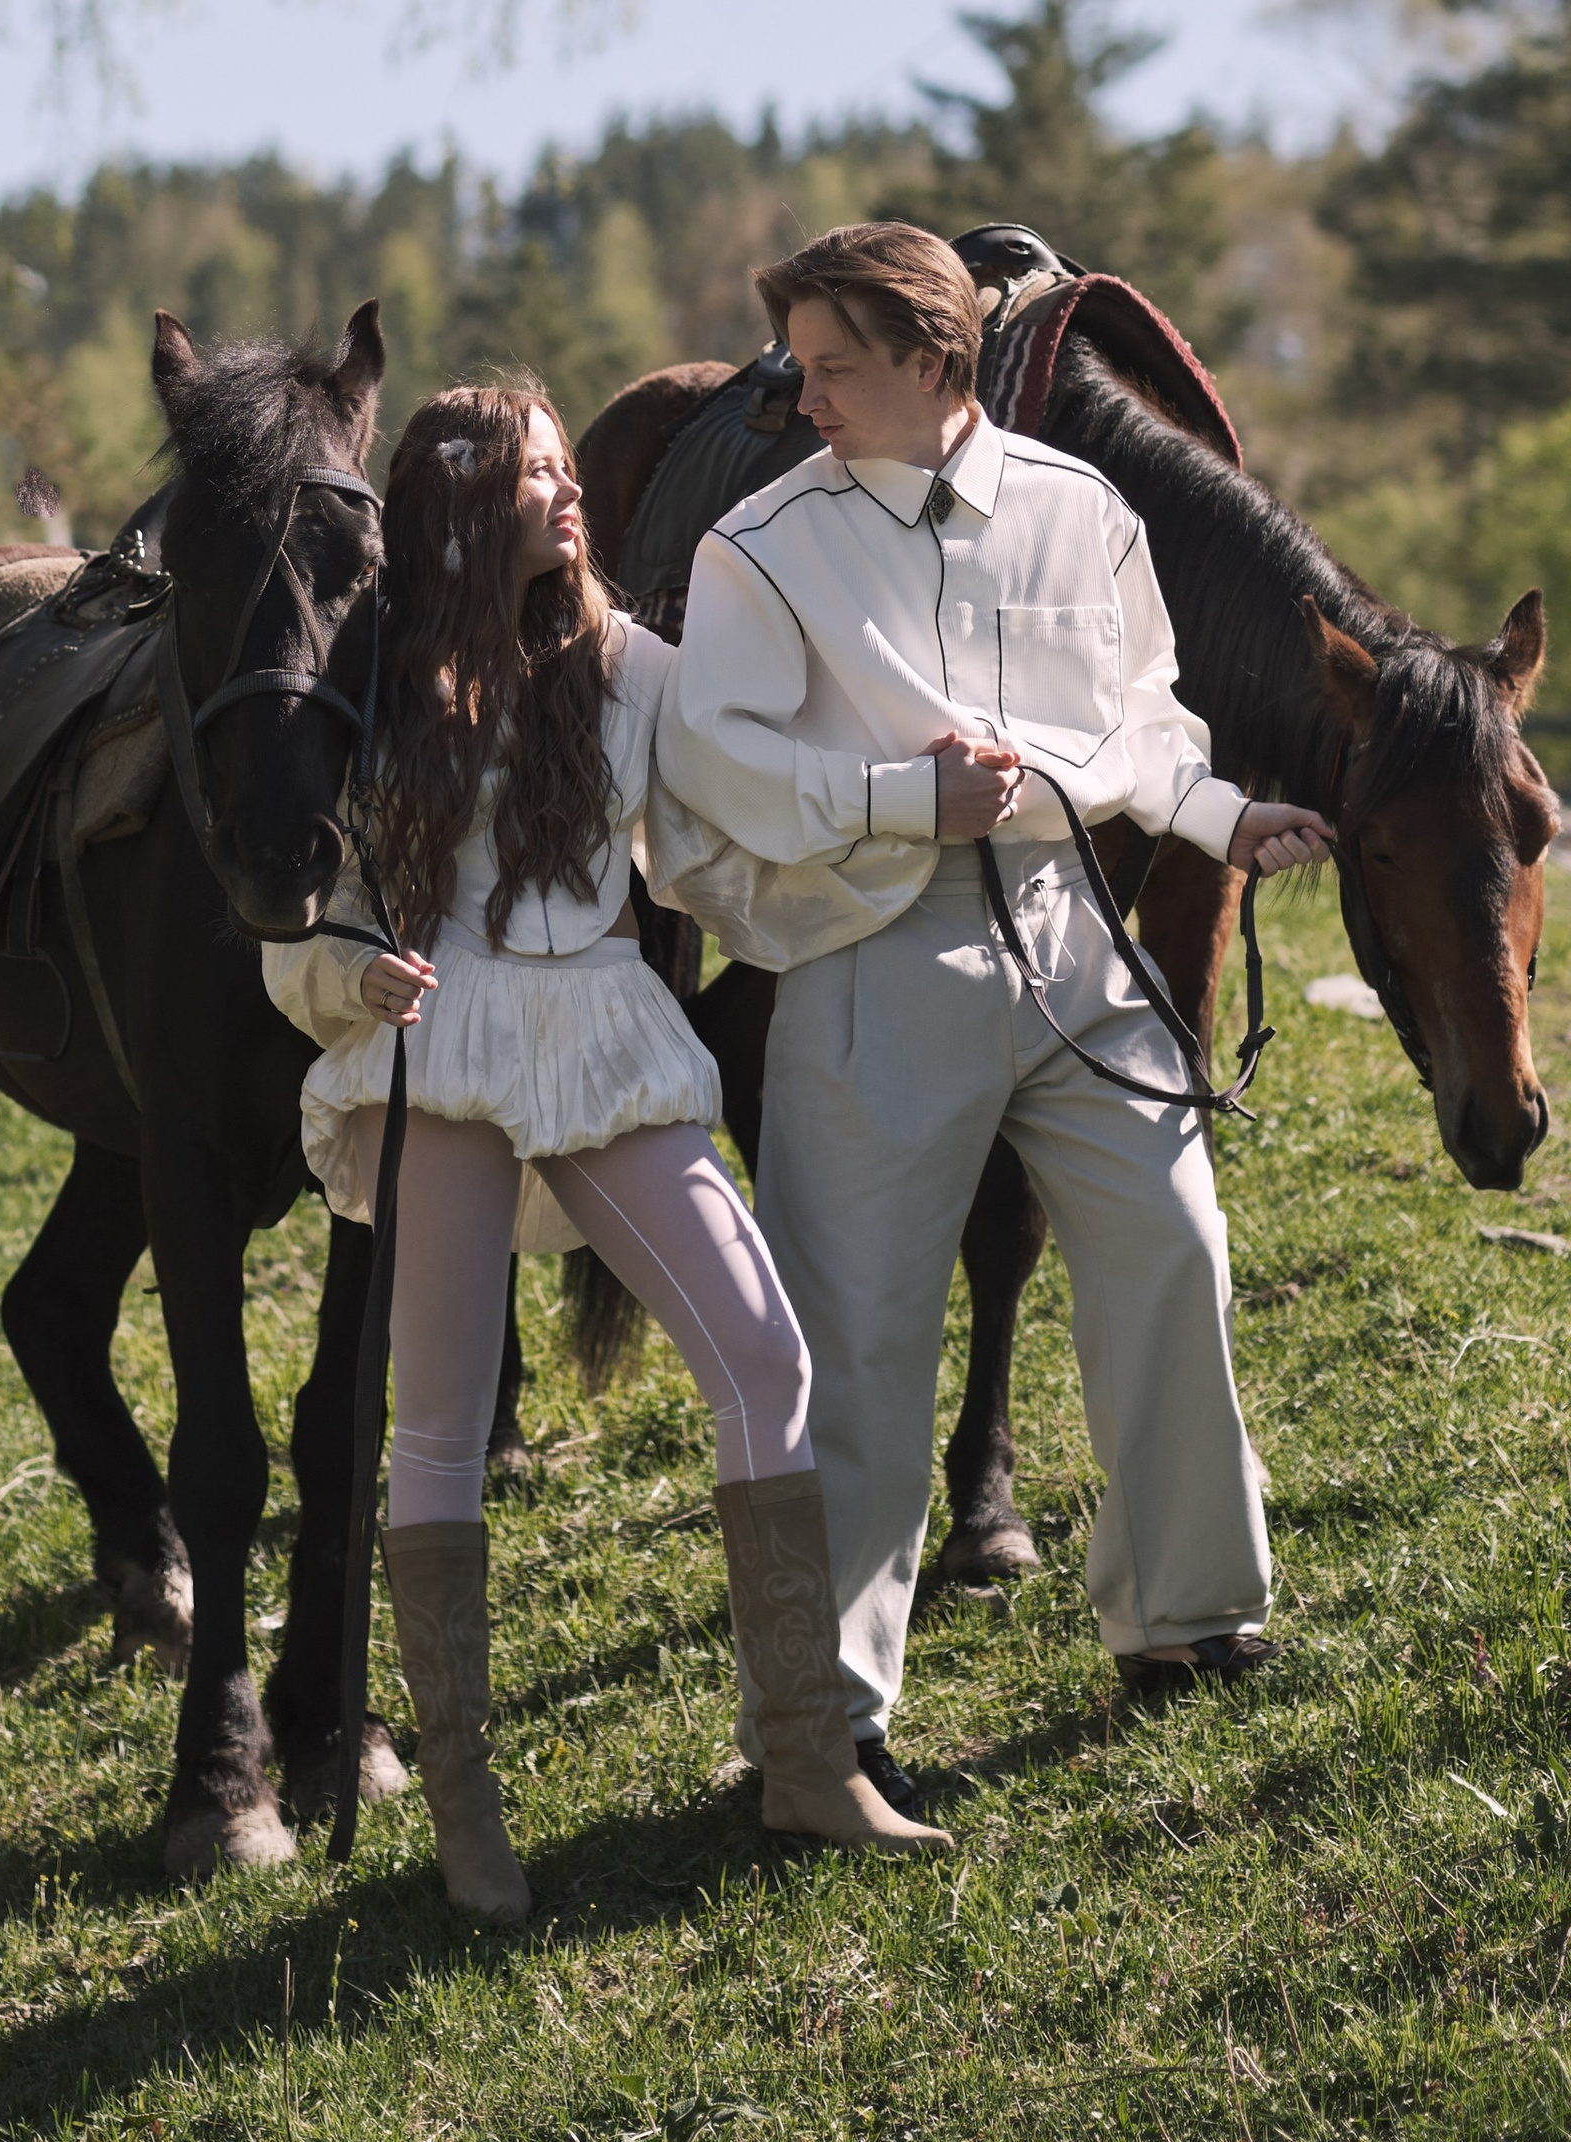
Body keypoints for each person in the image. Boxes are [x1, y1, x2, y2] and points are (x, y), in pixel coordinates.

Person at [649, 222, 1334, 1794]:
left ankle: (1189, 1617)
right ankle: (825, 1719)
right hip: (877, 954)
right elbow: (717, 759)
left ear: (935, 359)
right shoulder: (760, 544)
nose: (807, 398)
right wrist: (904, 795)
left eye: (835, 367)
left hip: (1078, 937)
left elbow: (1142, 724)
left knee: (1175, 1248)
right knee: (857, 1336)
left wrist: (1229, 820)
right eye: (802, 366)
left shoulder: (1081, 510)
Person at [267, 379, 949, 1920]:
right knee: (442, 1423)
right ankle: (464, 1805)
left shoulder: (631, 665)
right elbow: (308, 905)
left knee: (763, 1356)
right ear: (461, 506)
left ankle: (805, 1754)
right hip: (447, 1042)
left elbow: (753, 797)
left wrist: (910, 797)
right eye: (537, 474)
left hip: (604, 1026)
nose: (570, 494)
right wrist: (349, 974)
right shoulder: (373, 681)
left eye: (568, 466)